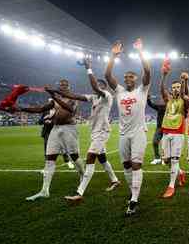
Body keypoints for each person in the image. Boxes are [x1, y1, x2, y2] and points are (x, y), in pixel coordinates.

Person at [57, 59, 120, 203]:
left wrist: (88, 69)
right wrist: (57, 92)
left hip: (102, 132)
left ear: (104, 87)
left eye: (100, 85)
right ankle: (115, 180)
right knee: (102, 158)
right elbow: (75, 96)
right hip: (95, 133)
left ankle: (79, 192)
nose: (97, 86)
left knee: (90, 158)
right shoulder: (93, 97)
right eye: (97, 84)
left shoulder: (107, 96)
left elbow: (95, 87)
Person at [15, 79, 84, 201]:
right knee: (50, 158)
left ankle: (83, 176)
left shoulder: (73, 98)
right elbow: (40, 109)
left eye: (65, 85)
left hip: (69, 129)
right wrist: (20, 108)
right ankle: (44, 190)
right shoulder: (54, 100)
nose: (63, 87)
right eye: (61, 85)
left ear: (69, 87)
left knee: (74, 156)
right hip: (55, 129)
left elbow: (69, 109)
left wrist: (53, 95)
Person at [105, 38, 151, 216]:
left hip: (138, 133)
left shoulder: (142, 90)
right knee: (126, 165)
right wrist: (113, 56)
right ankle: (133, 192)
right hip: (123, 134)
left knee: (136, 164)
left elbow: (147, 70)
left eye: (130, 77)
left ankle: (134, 200)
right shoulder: (119, 92)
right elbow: (108, 76)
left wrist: (140, 51)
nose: (127, 79)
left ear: (136, 79)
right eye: (125, 77)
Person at [160, 66, 188, 198]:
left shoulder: (183, 100)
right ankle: (181, 172)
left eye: (178, 87)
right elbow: (162, 90)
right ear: (172, 89)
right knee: (166, 160)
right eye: (174, 87)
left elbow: (184, 93)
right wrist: (164, 76)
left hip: (178, 132)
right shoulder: (168, 100)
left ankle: (171, 186)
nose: (176, 89)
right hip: (166, 132)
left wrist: (183, 82)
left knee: (175, 159)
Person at [147, 94, 166, 165]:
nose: (162, 100)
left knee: (165, 145)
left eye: (163, 99)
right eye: (162, 99)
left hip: (167, 128)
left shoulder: (170, 106)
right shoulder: (159, 107)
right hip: (159, 128)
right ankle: (157, 158)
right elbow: (151, 104)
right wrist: (148, 99)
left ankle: (165, 158)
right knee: (155, 142)